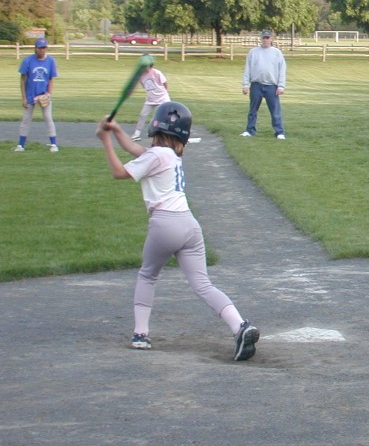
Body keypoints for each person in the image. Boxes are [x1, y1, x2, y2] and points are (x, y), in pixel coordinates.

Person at [95, 101, 260, 361]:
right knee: (203, 284)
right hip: (189, 225)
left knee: (148, 275)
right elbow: (137, 151)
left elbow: (119, 171)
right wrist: (115, 130)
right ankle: (240, 326)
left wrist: (104, 139)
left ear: (155, 125)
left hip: (164, 223)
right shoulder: (170, 155)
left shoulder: (155, 155)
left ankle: (141, 334)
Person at [14, 37, 59, 152]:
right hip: (30, 94)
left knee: (48, 118)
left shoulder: (51, 61)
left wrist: (49, 93)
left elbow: (51, 79)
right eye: (40, 48)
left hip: (44, 94)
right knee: (26, 119)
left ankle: (54, 144)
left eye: (44, 48)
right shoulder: (28, 61)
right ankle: (21, 145)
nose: (42, 50)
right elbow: (23, 79)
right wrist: (23, 97)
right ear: (35, 48)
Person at [241, 30, 286, 139]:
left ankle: (279, 132)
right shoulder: (253, 52)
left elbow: (282, 70)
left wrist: (281, 86)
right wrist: (245, 85)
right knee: (253, 110)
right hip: (256, 85)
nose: (266, 40)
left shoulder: (277, 53)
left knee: (275, 110)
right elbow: (248, 69)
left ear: (271, 39)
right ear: (261, 39)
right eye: (264, 38)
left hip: (271, 86)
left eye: (268, 38)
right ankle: (250, 130)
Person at [131, 55, 170, 141]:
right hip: (150, 99)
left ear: (150, 65)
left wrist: (163, 93)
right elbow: (144, 86)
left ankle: (167, 134)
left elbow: (165, 83)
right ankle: (137, 134)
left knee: (164, 117)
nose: (145, 68)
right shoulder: (141, 75)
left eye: (146, 66)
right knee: (142, 115)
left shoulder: (157, 73)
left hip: (162, 98)